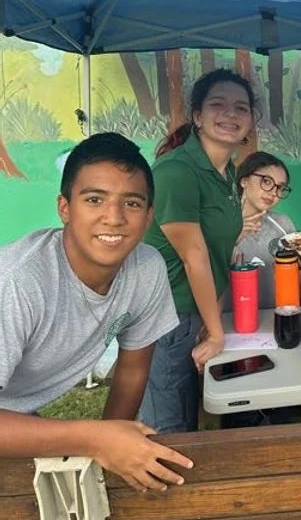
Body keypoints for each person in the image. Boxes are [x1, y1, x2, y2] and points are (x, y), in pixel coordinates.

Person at [0, 133, 192, 493]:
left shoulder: (146, 268)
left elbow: (132, 370)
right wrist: (96, 439)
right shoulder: (18, 283)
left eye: (131, 203)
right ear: (65, 208)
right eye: (94, 200)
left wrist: (111, 447)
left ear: (149, 215)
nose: (114, 218)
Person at [139, 68, 256, 434]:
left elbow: (220, 252)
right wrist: (216, 332)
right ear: (197, 117)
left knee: (190, 414)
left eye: (241, 107)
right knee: (168, 427)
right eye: (218, 104)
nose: (230, 114)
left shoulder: (227, 172)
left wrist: (211, 319)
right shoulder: (177, 172)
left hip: (198, 312)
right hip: (167, 316)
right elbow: (195, 258)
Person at [234, 151, 298, 309]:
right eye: (266, 181)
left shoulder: (283, 224)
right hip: (228, 316)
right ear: (244, 180)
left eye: (280, 187)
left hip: (273, 313)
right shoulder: (219, 223)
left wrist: (298, 260)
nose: (273, 193)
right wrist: (230, 240)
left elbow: (296, 280)